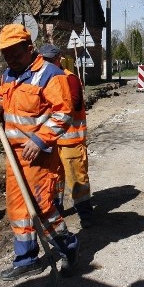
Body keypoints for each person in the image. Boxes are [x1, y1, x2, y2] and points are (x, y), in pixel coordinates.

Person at [0, 24, 80, 281]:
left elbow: (63, 113)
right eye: (5, 53)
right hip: (14, 157)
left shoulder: (51, 74)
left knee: (42, 207)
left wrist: (39, 140)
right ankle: (26, 260)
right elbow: (2, 97)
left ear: (29, 48)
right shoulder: (9, 74)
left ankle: (67, 248)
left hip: (39, 156)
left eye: (14, 53)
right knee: (17, 210)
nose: (9, 58)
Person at [38, 44, 93, 228]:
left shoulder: (70, 79)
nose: (46, 63)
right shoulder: (42, 80)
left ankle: (86, 215)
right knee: (55, 180)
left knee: (77, 180)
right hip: (52, 142)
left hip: (71, 142)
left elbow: (74, 105)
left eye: (49, 60)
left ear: (58, 59)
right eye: (43, 60)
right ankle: (57, 211)